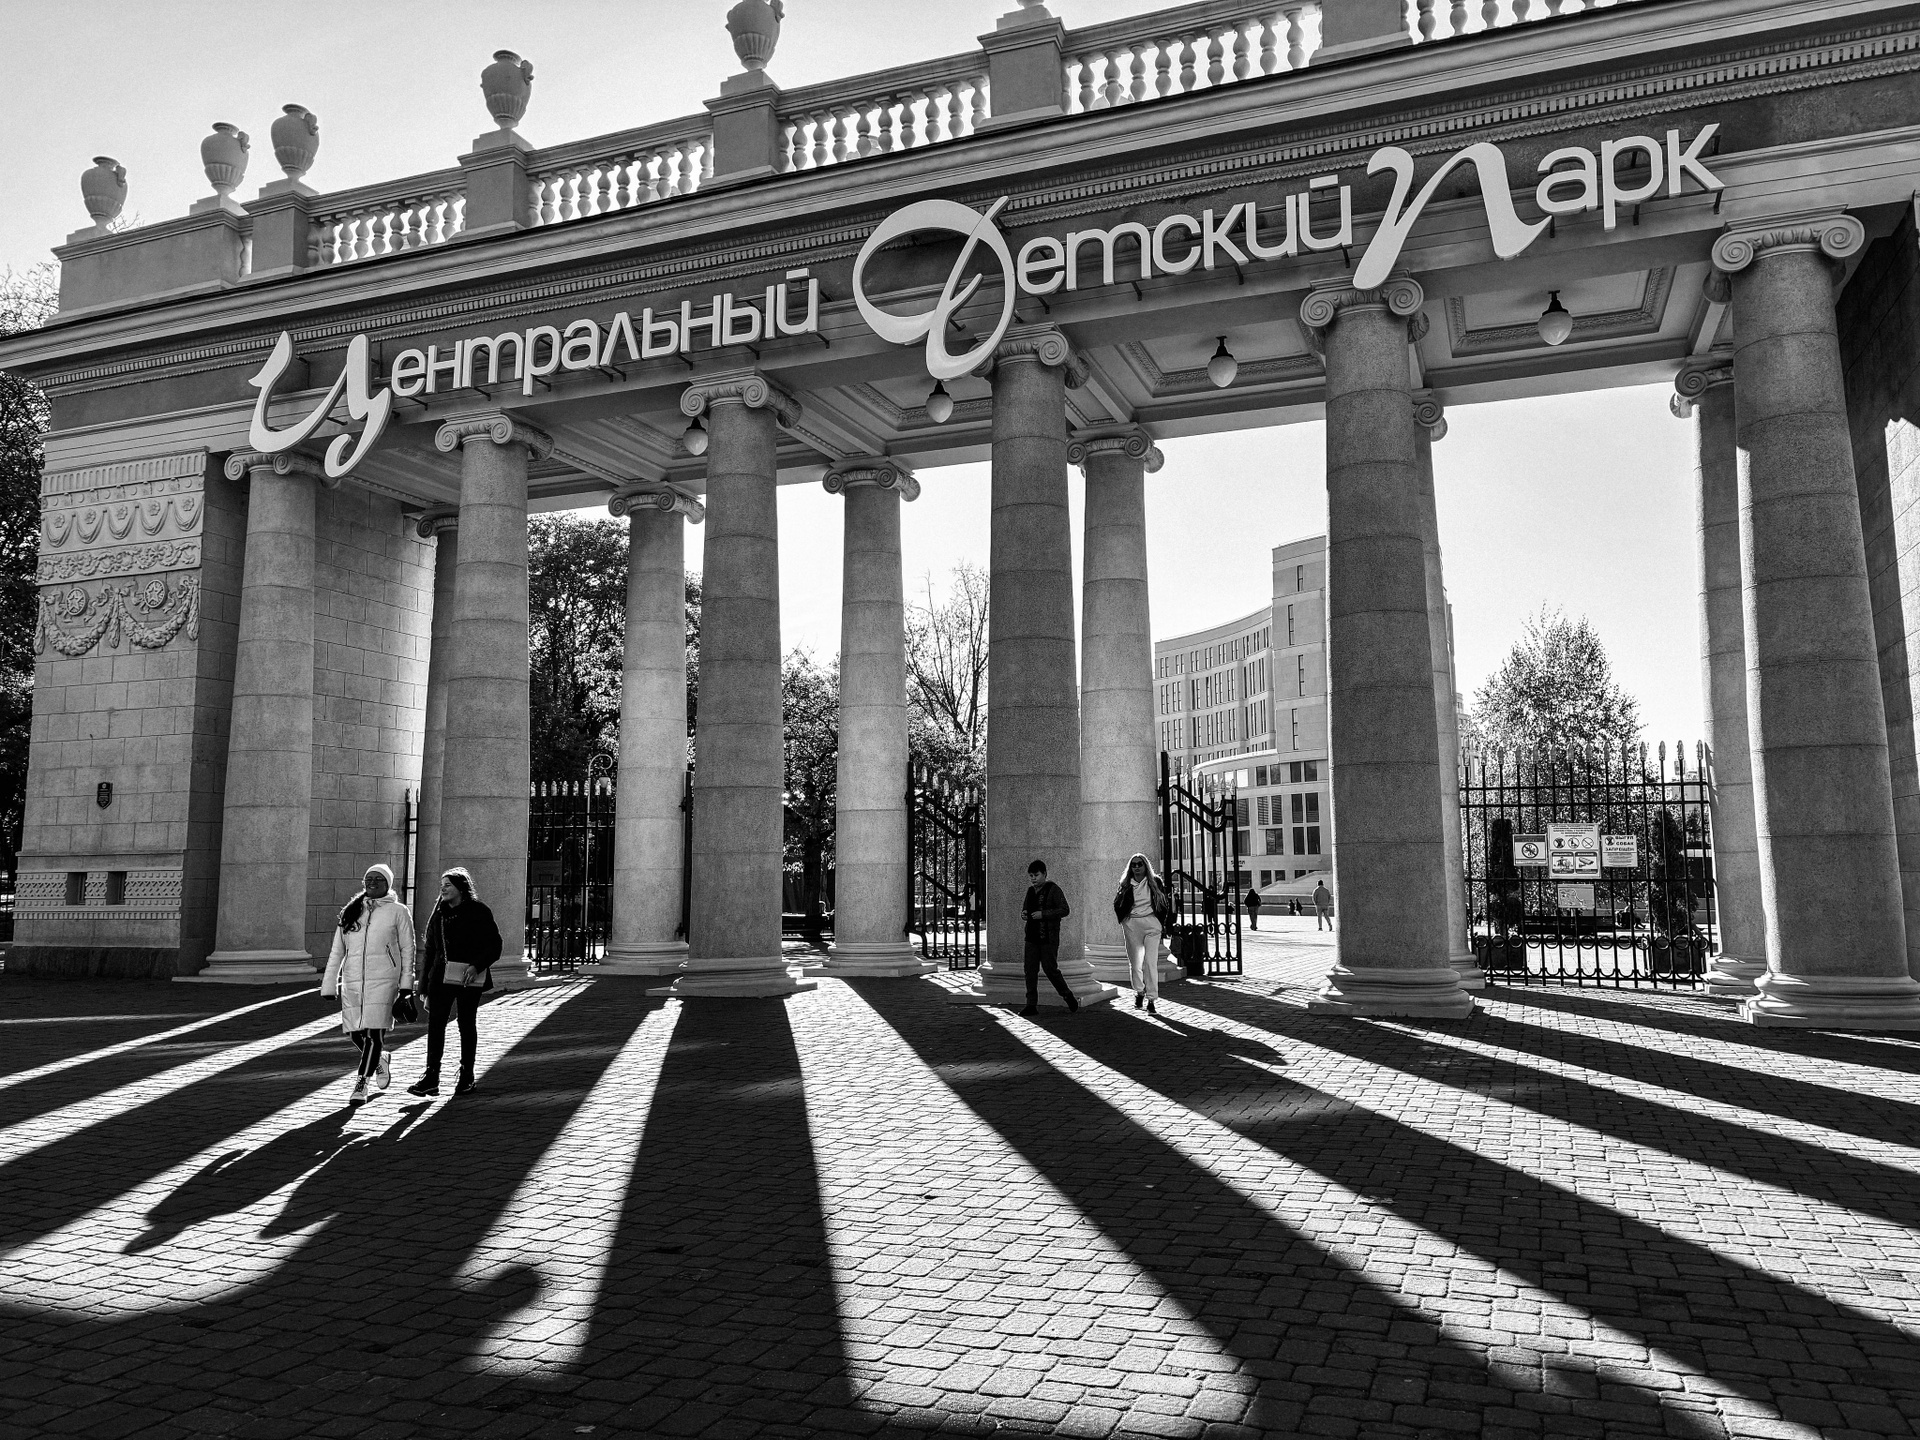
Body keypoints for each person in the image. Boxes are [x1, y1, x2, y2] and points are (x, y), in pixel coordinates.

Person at [321, 863, 416, 1104]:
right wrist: (329, 984)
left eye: (377, 878)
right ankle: (380, 1059)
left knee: (374, 1033)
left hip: (384, 981)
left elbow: (408, 949)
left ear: (388, 883)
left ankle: (361, 1083)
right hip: (352, 982)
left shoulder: (398, 911)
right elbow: (337, 951)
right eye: (368, 878)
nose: (372, 882)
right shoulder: (352, 911)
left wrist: (406, 985)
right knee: (355, 1032)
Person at [408, 867, 502, 1097]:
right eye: (441, 885)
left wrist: (476, 965)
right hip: (441, 977)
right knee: (435, 1024)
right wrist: (423, 986)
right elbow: (430, 950)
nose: (443, 889)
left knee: (466, 1023)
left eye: (448, 885)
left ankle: (467, 1075)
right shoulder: (439, 913)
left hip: (470, 977)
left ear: (461, 888)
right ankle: (431, 1076)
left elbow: (494, 945)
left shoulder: (479, 911)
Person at [1111, 853, 1172, 1014]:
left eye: (1140, 864)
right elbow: (1117, 903)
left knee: (1150, 962)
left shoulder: (1155, 882)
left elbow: (1164, 903)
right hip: (1132, 926)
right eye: (1134, 865)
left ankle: (1151, 999)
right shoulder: (1126, 884)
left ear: (1146, 866)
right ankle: (1139, 991)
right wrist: (1124, 920)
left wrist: (1160, 922)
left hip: (1152, 926)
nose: (1137, 867)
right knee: (1136, 963)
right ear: (1130, 868)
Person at [1019, 859, 1077, 1018]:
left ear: (1044, 874)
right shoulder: (1030, 891)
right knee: (1030, 970)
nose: (1033, 878)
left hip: (1048, 937)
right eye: (1031, 876)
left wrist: (1043, 914)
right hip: (1031, 936)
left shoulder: (1053, 889)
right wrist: (1024, 914)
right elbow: (1026, 908)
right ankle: (1031, 1004)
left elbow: (1065, 909)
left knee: (1050, 969)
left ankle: (1067, 995)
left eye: (1036, 875)